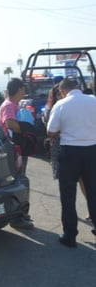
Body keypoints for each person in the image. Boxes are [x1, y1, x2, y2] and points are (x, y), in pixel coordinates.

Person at [47, 78, 96, 248]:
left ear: (62, 91)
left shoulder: (60, 105)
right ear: (77, 87)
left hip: (70, 153)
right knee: (93, 192)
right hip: (92, 151)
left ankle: (70, 235)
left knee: (68, 196)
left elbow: (51, 131)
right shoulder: (94, 100)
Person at [0, 77, 35, 229]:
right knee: (19, 182)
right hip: (12, 151)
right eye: (23, 89)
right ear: (19, 90)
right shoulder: (8, 106)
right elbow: (10, 124)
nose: (24, 91)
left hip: (18, 149)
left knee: (21, 181)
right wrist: (27, 130)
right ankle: (17, 218)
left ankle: (20, 214)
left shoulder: (14, 105)